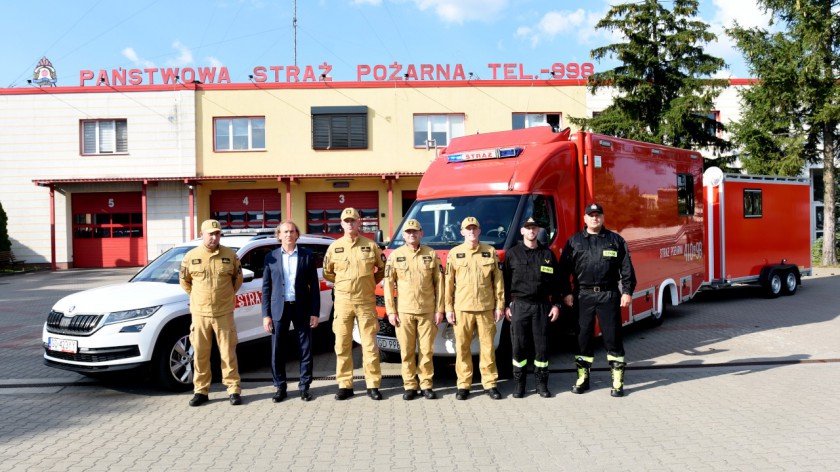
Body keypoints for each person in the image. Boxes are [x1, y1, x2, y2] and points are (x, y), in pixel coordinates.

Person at [559, 203, 636, 397]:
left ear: (603, 217)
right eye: (591, 215)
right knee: (582, 337)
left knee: (613, 337)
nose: (595, 218)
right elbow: (563, 271)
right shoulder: (575, 241)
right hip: (582, 295)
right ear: (584, 219)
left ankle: (617, 381)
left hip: (608, 295)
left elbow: (626, 268)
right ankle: (583, 378)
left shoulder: (615, 240)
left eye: (598, 215)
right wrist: (566, 292)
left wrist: (627, 291)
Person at [323, 207, 386, 400]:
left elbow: (382, 269)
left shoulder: (371, 245)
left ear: (359, 223)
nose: (350, 223)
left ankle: (373, 384)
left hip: (366, 301)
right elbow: (328, 272)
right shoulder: (334, 247)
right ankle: (345, 385)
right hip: (342, 302)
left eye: (353, 220)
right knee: (342, 344)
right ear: (341, 224)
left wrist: (367, 285)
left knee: (369, 345)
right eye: (346, 221)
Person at [179, 219, 244, 406]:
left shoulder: (230, 255)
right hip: (200, 314)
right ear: (202, 234)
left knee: (228, 352)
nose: (214, 237)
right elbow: (185, 282)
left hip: (224, 312)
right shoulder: (191, 256)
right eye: (210, 234)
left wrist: (225, 296)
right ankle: (201, 391)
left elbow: (237, 280)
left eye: (217, 234)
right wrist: (198, 298)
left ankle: (233, 389)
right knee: (200, 353)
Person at [444, 216, 505, 400]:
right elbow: (448, 284)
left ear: (479, 231)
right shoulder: (454, 253)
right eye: (467, 229)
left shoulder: (490, 252)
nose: (471, 231)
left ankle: (490, 384)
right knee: (462, 348)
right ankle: (464, 385)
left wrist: (500, 305)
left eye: (474, 228)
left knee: (487, 349)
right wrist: (448, 308)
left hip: (486, 308)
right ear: (462, 232)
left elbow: (498, 282)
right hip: (462, 309)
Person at [384, 219, 445, 400]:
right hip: (404, 312)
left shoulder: (431, 254)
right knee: (407, 351)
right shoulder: (395, 255)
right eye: (408, 232)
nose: (412, 234)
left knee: (426, 351)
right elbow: (388, 285)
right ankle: (409, 385)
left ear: (421, 233)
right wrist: (391, 311)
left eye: (415, 231)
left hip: (427, 311)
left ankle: (426, 384)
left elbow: (440, 284)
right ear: (403, 235)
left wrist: (439, 309)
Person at [261, 221, 321, 402]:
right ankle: (280, 387)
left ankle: (304, 387)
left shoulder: (307, 256)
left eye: (292, 231)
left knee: (305, 349)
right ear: (279, 235)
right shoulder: (270, 257)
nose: (289, 234)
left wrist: (315, 312)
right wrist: (266, 315)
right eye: (285, 232)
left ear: (297, 235)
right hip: (279, 309)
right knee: (277, 350)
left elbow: (314, 287)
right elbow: (266, 288)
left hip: (301, 308)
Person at [502, 217, 561, 398]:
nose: (531, 231)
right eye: (528, 228)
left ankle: (541, 385)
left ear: (538, 231)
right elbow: (503, 283)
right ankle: (519, 385)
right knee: (519, 346)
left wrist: (556, 304)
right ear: (522, 231)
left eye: (534, 228)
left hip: (542, 306)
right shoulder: (512, 254)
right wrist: (505, 306)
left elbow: (557, 283)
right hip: (520, 305)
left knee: (541, 347)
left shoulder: (547, 255)